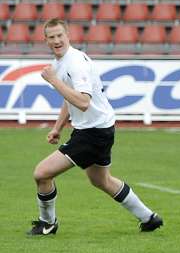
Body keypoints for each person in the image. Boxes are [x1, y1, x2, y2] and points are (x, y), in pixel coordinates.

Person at [28, 19, 163, 236]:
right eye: (51, 37)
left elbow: (82, 101)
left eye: (59, 35)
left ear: (68, 35)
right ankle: (149, 218)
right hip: (99, 128)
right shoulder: (62, 63)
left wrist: (54, 81)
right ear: (45, 41)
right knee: (101, 180)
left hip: (93, 132)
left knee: (42, 173)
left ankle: (47, 224)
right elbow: (69, 99)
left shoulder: (74, 63)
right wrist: (57, 127)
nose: (56, 40)